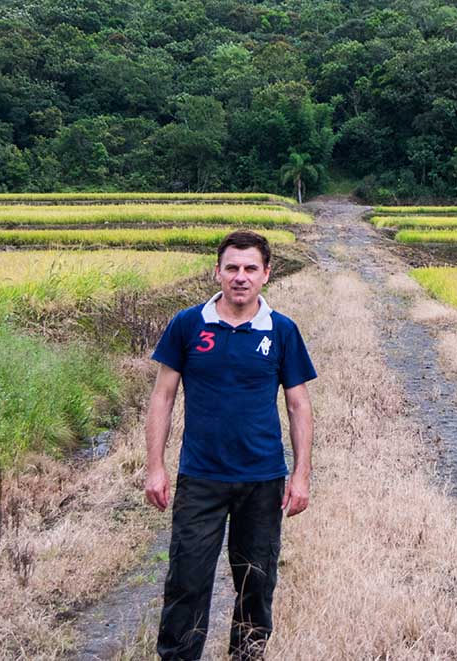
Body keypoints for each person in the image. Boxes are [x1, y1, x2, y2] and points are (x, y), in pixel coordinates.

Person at [144, 229, 316, 660]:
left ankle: (247, 655)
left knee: (256, 583)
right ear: (217, 272)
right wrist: (155, 467)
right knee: (187, 581)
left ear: (266, 274)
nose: (241, 277)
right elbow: (162, 396)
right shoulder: (187, 324)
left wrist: (301, 475)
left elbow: (298, 406)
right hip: (200, 477)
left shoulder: (281, 331)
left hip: (262, 479)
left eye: (250, 268)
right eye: (232, 268)